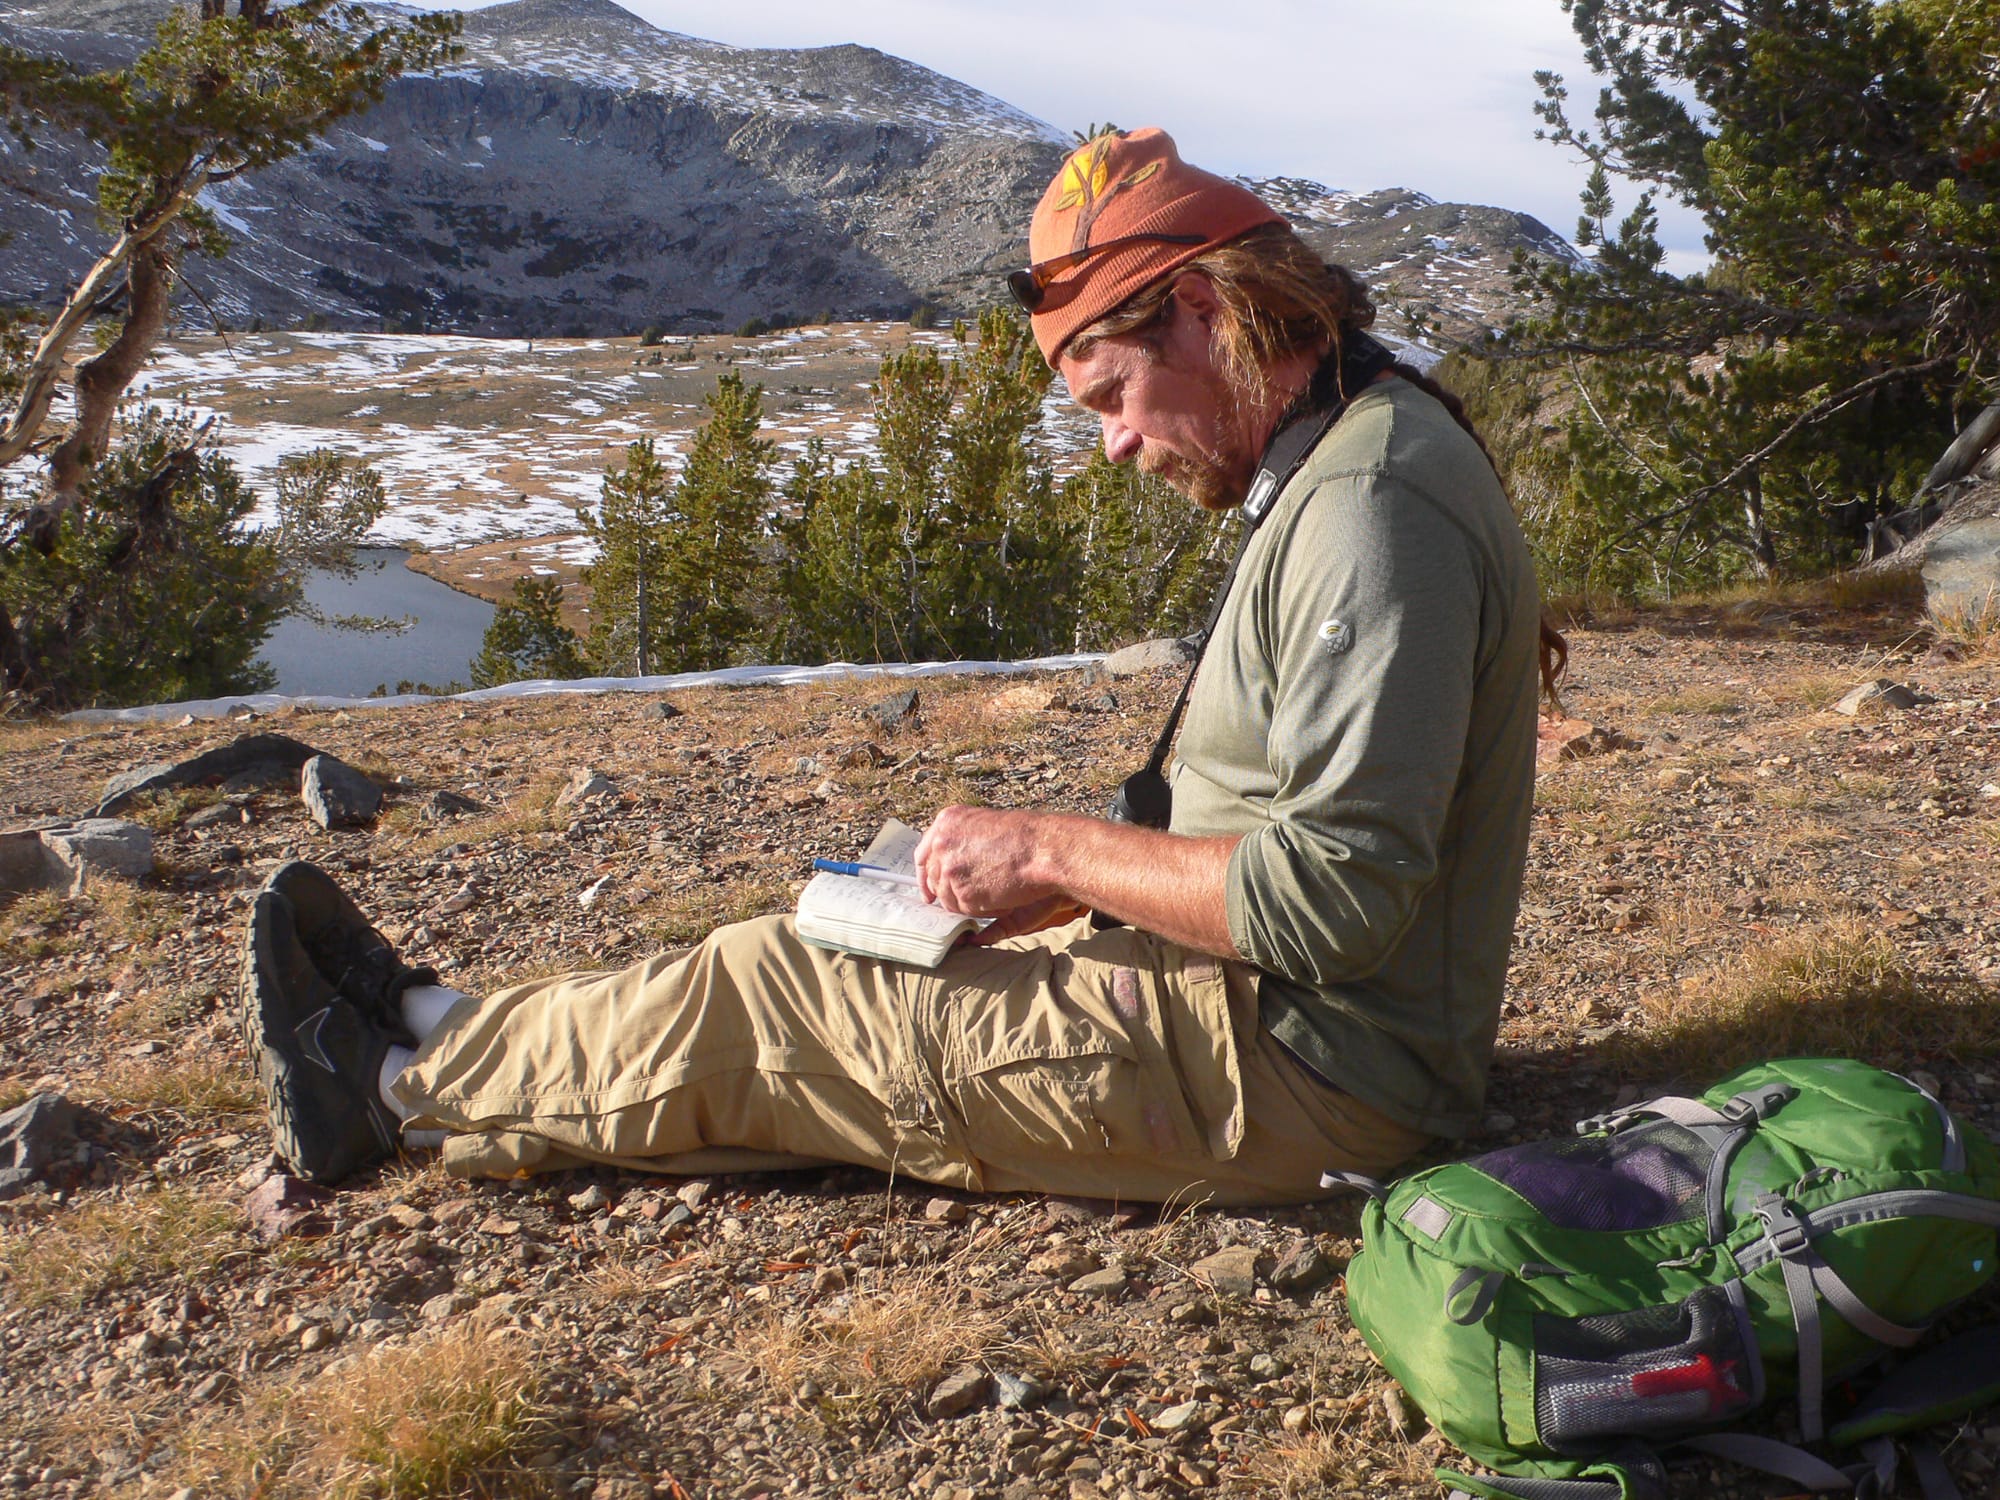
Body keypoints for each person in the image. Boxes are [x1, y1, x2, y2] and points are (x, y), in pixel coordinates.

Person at [240, 127, 1557, 1205]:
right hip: (1251, 1027)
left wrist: (1052, 854)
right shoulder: (1350, 456)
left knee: (776, 996)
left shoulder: (1372, 506)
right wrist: (1087, 888)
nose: (1110, 445)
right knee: (802, 959)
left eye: (1109, 396)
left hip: (1299, 1080)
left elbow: (1336, 902)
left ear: (1205, 312)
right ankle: (439, 1021)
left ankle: (387, 1087)